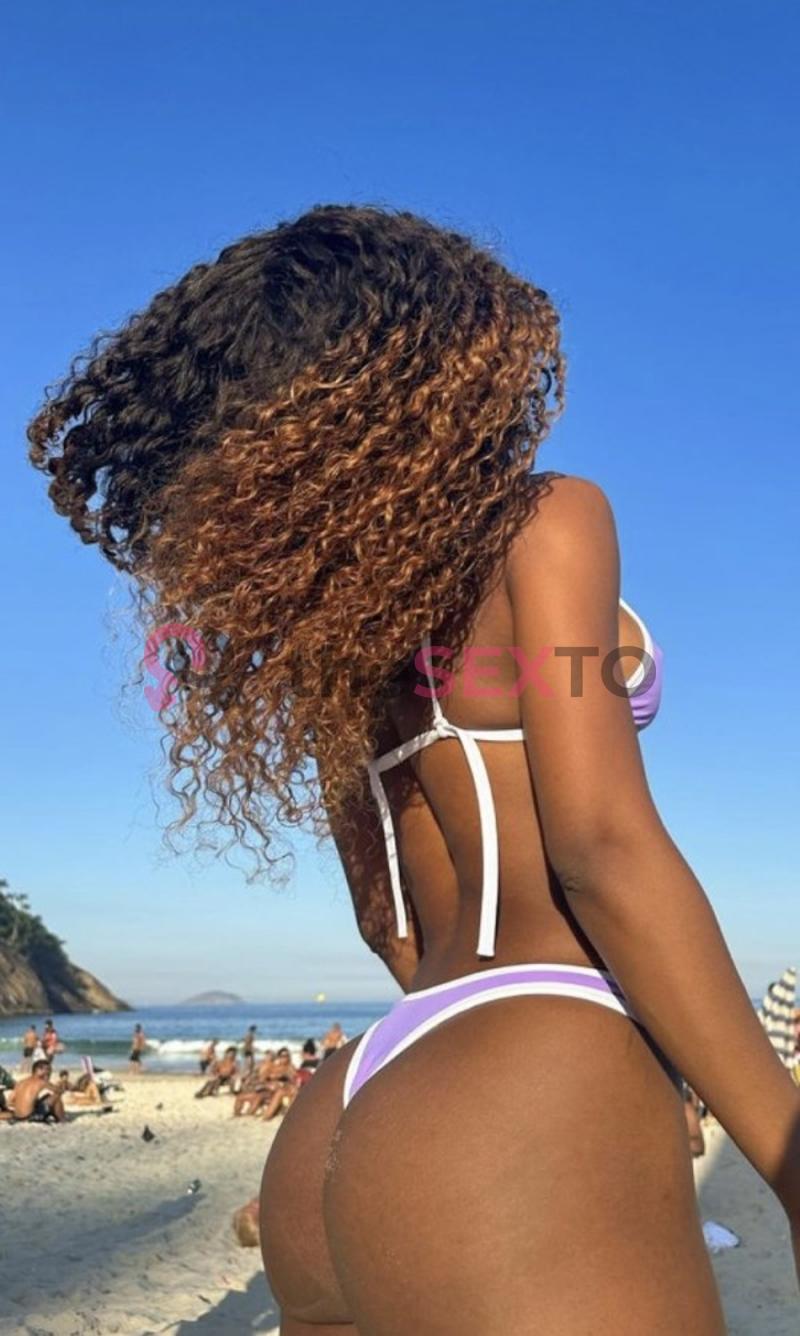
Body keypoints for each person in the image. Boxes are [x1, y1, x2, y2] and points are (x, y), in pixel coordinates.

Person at [29, 203, 800, 1330]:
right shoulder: (548, 521)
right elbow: (600, 851)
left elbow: (382, 918)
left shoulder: (333, 631)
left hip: (360, 1099)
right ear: (442, 366)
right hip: (537, 1038)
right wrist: (784, 1157)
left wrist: (450, 1074)